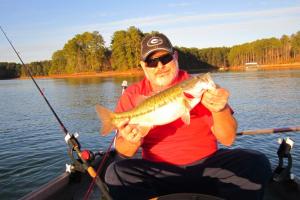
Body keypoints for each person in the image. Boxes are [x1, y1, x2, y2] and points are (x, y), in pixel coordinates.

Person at [104, 33, 271, 200]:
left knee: (256, 163)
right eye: (152, 61)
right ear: (143, 65)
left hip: (207, 168)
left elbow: (228, 139)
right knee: (115, 173)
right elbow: (124, 151)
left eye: (166, 58)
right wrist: (131, 140)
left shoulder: (202, 90)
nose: (160, 65)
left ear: (175, 56)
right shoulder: (133, 94)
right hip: (158, 172)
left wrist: (219, 110)